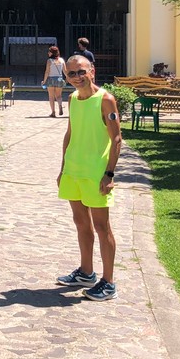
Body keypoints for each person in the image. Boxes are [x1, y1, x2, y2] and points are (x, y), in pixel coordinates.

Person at [55, 55, 122, 301]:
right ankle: (86, 273)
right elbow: (70, 134)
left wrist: (109, 173)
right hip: (74, 171)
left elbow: (117, 139)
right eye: (71, 74)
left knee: (102, 227)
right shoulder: (72, 98)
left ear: (92, 70)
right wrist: (63, 169)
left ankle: (109, 283)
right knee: (81, 223)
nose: (77, 77)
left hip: (96, 174)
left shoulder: (106, 100)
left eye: (81, 71)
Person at [44, 45, 66, 117]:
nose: (48, 53)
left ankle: (53, 112)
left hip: (51, 79)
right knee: (59, 96)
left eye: (49, 52)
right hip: (59, 79)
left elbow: (47, 72)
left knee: (51, 96)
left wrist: (44, 81)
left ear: (52, 53)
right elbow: (65, 71)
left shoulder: (49, 61)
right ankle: (60, 105)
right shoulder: (61, 60)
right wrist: (68, 78)